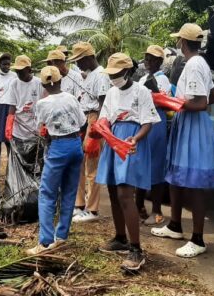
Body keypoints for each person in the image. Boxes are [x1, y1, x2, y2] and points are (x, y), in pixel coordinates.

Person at [151, 23, 214, 259]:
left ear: (182, 42)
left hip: (194, 127)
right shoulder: (201, 64)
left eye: (179, 41)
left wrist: (166, 102)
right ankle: (175, 226)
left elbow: (201, 104)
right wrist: (176, 100)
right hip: (188, 124)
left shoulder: (193, 65)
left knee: (195, 182)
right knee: (177, 177)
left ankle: (198, 239)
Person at [94, 53, 160, 271]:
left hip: (131, 141)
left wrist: (136, 138)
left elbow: (148, 122)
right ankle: (120, 238)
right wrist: (100, 128)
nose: (113, 78)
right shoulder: (112, 93)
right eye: (110, 74)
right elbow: (105, 117)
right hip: (113, 139)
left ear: (128, 71)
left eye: (117, 73)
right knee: (113, 191)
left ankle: (136, 249)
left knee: (125, 193)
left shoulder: (141, 92)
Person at [27, 66, 86, 255]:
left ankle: (45, 242)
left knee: (47, 193)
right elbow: (82, 121)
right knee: (69, 191)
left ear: (44, 84)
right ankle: (61, 236)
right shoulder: (70, 98)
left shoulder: (42, 104)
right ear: (61, 80)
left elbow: (39, 128)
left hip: (58, 147)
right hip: (76, 144)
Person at [67, 42, 110, 223]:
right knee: (80, 164)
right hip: (83, 119)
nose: (77, 65)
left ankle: (92, 209)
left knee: (92, 166)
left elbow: (103, 105)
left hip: (94, 118)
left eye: (79, 60)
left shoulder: (100, 76)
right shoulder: (88, 76)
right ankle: (79, 205)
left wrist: (96, 132)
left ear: (89, 58)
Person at [136, 45, 172, 226]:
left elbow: (165, 102)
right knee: (141, 164)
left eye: (151, 59)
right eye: (146, 58)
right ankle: (139, 206)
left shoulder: (162, 79)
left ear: (159, 61)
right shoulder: (142, 78)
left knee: (155, 166)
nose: (148, 62)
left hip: (156, 124)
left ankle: (157, 211)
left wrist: (155, 95)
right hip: (143, 123)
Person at [3, 55, 43, 142]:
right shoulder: (14, 84)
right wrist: (9, 124)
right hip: (19, 128)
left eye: (21, 72)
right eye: (17, 72)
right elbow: (12, 106)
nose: (18, 74)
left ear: (29, 70)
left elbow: (44, 104)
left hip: (35, 128)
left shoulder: (39, 83)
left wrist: (43, 126)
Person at [0, 53, 17, 176]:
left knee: (8, 139)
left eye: (8, 64)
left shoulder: (14, 76)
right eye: (4, 64)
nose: (6, 66)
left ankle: (10, 168)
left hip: (9, 108)